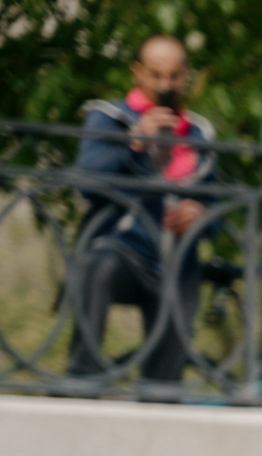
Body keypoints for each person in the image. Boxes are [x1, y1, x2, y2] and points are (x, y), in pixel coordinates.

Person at [68, 34, 216, 387]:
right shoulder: (108, 118)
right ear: (137, 73)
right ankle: (80, 382)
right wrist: (133, 142)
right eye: (156, 75)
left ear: (186, 76)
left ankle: (161, 398)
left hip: (176, 263)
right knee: (99, 266)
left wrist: (199, 216)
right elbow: (87, 183)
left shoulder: (199, 133)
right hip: (123, 250)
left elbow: (217, 209)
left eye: (174, 76)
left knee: (164, 384)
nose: (166, 85)